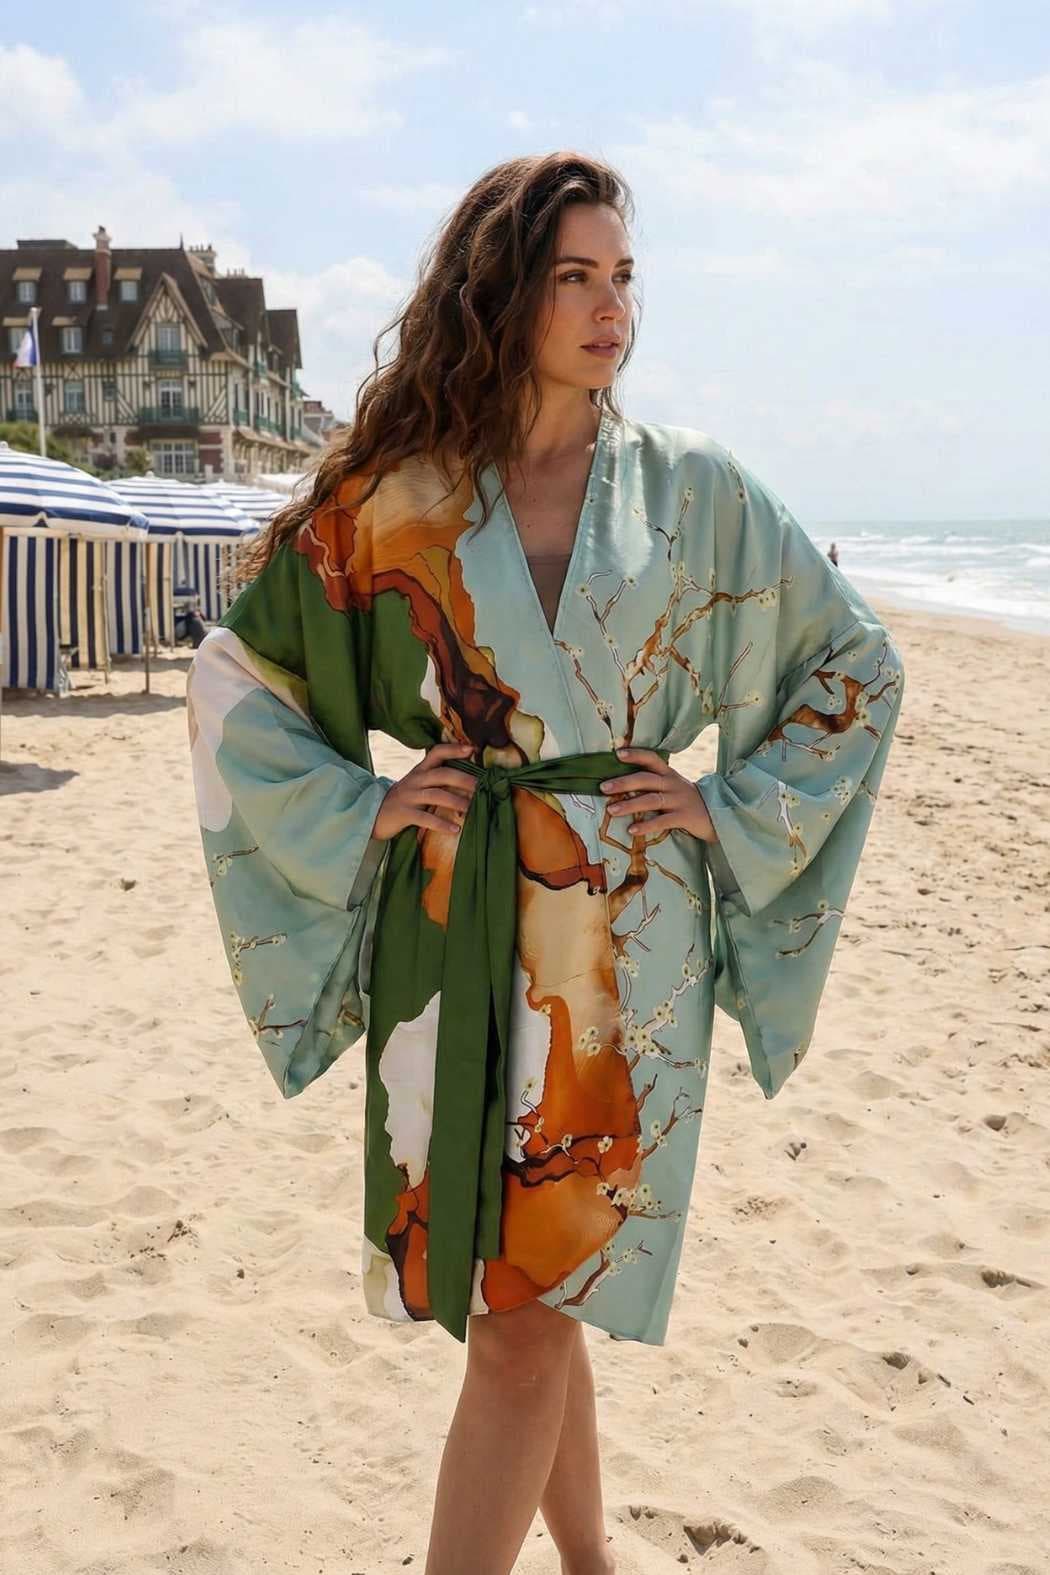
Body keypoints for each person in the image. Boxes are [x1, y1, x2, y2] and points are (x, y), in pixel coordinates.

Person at [185, 152, 905, 1575]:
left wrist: (728, 805)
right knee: (523, 1302)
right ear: (501, 292)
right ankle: (588, 1563)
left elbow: (852, 668)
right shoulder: (399, 495)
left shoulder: (693, 490)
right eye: (572, 275)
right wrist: (370, 805)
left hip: (628, 943)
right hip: (455, 930)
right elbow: (242, 676)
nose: (606, 306)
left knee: (529, 1311)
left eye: (621, 276)